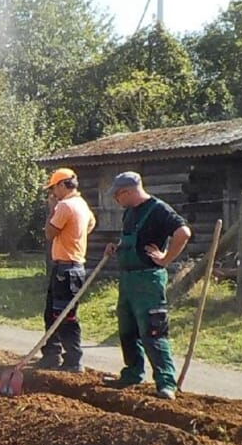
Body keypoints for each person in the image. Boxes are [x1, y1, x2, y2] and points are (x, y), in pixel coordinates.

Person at [103, 170, 192, 399]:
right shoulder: (129, 213)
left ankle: (166, 383)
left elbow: (183, 232)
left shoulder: (159, 209)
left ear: (130, 191)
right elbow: (132, 239)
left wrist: (166, 258)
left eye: (118, 195)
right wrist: (116, 247)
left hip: (148, 280)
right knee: (127, 330)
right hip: (128, 279)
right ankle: (133, 373)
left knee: (153, 331)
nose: (116, 200)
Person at [38, 167, 95, 371]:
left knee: (65, 317)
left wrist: (53, 209)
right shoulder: (83, 205)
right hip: (72, 266)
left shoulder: (64, 206)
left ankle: (73, 360)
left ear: (63, 185)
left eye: (54, 188)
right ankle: (52, 355)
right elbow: (90, 225)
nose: (53, 193)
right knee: (53, 314)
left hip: (66, 269)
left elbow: (49, 233)